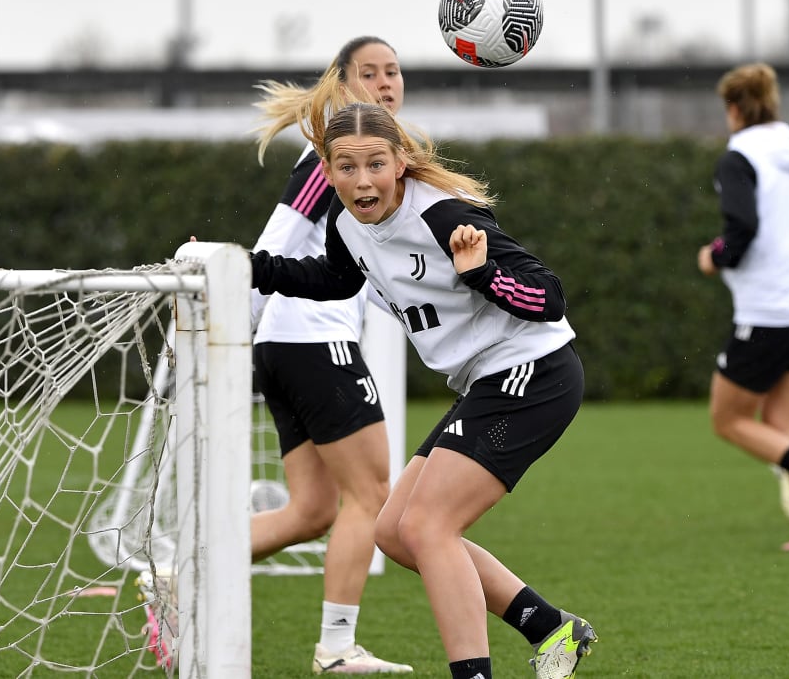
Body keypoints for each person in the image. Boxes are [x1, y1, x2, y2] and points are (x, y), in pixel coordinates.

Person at [251, 79, 597, 678]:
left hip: (533, 372)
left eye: (376, 165)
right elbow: (335, 280)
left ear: (401, 162)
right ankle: (551, 628)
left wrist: (483, 272)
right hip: (487, 381)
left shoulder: (443, 215)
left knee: (429, 525)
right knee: (393, 531)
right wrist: (247, 267)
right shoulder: (345, 220)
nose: (363, 181)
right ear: (327, 172)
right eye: (347, 167)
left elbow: (550, 296)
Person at [247, 36, 413, 675]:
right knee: (371, 495)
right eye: (369, 73)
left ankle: (185, 570)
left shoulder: (373, 164)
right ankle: (337, 648)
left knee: (313, 510)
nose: (385, 82)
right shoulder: (329, 162)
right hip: (312, 342)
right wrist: (238, 314)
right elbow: (278, 241)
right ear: (342, 85)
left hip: (289, 346)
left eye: (393, 71)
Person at [696, 62, 789, 551]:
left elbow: (741, 230)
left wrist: (714, 257)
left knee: (727, 419)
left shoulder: (738, 157)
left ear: (735, 109)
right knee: (782, 422)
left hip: (769, 314)